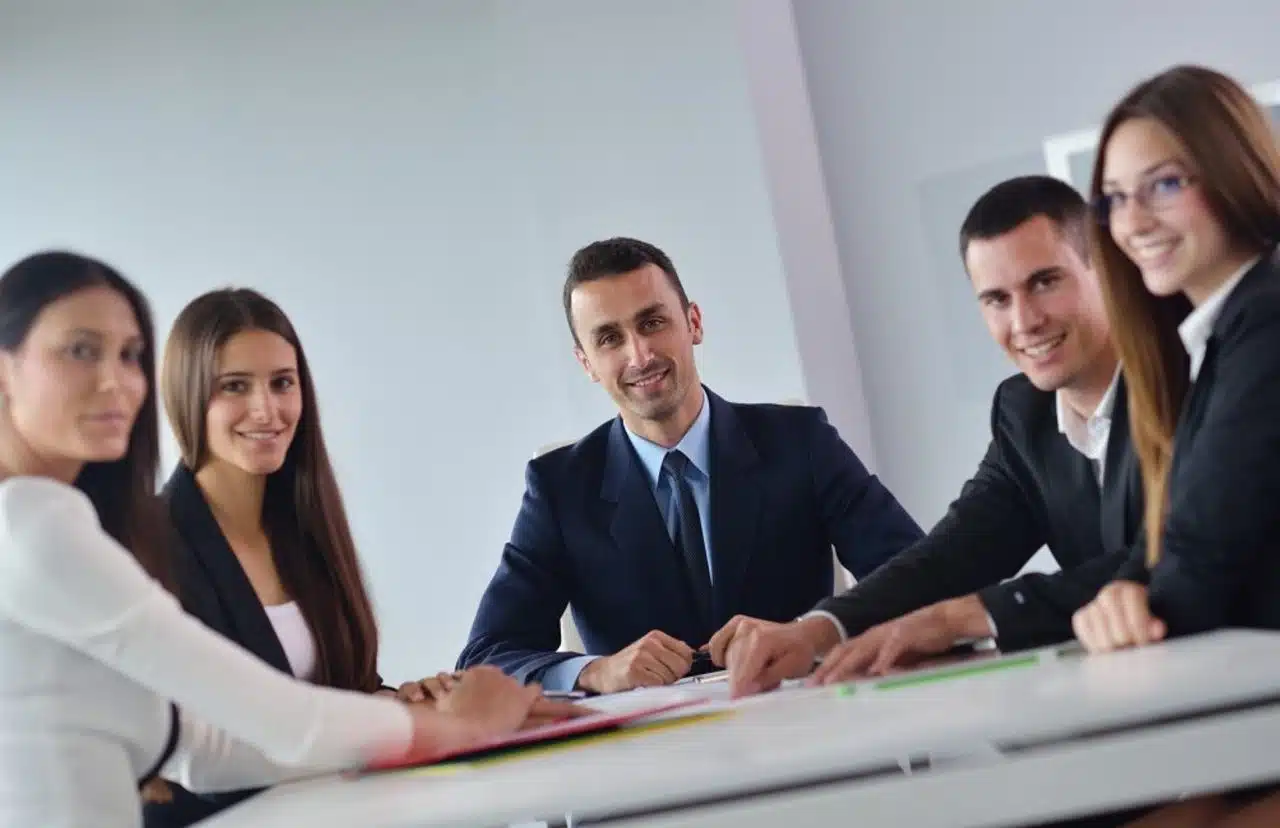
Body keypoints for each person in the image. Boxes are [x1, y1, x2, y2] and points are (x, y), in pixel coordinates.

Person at [0, 251, 578, 828]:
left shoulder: (57, 522)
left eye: (130, 355)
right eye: (80, 350)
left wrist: (411, 714)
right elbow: (278, 720)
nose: (118, 380)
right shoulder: (31, 527)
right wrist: (460, 726)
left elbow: (206, 751)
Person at [712, 176, 1147, 697]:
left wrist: (962, 618)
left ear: (1104, 266)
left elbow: (1174, 553)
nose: (1024, 321)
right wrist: (818, 629)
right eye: (996, 299)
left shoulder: (1192, 381)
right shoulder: (1022, 410)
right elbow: (955, 554)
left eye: (1044, 282)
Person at [457, 237, 923, 694]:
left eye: (653, 322)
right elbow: (486, 657)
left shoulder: (799, 441)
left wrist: (815, 630)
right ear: (587, 363)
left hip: (809, 732)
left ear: (693, 322)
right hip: (658, 759)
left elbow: (920, 580)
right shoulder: (559, 488)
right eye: (609, 338)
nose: (639, 355)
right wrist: (596, 672)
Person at [144, 288, 456, 826]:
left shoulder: (305, 526)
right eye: (235, 386)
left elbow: (341, 690)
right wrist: (385, 718)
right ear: (187, 396)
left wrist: (408, 700)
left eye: (282, 384)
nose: (267, 410)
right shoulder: (151, 544)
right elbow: (204, 752)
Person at [1066, 63, 1280, 828]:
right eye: (1116, 198)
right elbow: (1174, 542)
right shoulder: (1217, 335)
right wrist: (1123, 596)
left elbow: (1206, 550)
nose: (1133, 222)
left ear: (1232, 172)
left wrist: (1136, 611)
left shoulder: (1268, 313)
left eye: (1163, 185)